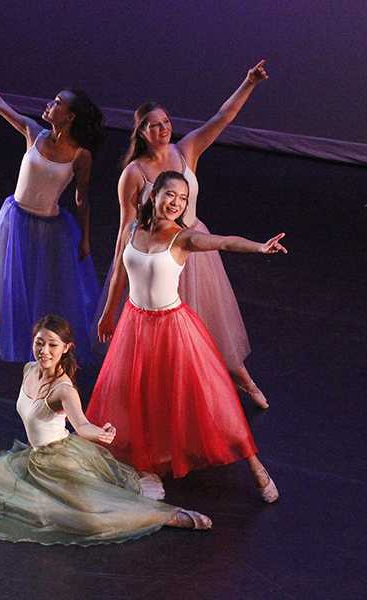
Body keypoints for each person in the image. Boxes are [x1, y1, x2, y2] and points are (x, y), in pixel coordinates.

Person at [90, 171, 284, 502]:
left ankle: (255, 466)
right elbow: (119, 276)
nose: (176, 203)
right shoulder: (132, 229)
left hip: (173, 327)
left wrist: (259, 247)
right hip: (135, 326)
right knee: (135, 396)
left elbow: (221, 241)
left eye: (182, 199)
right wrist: (109, 313)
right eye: (171, 195)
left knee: (209, 399)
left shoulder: (182, 239)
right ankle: (146, 464)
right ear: (154, 195)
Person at [101, 60, 271, 407]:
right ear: (141, 133)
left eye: (165, 123)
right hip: (156, 254)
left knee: (212, 325)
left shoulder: (186, 149)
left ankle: (244, 381)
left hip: (192, 245)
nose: (163, 130)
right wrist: (110, 306)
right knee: (168, 337)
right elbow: (125, 232)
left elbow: (222, 118)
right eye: (153, 126)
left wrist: (249, 82)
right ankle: (183, 398)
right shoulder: (133, 174)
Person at [0, 314, 212, 546]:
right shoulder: (29, 369)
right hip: (36, 458)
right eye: (39, 343)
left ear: (66, 348)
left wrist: (100, 433)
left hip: (60, 459)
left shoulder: (63, 389)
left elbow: (81, 424)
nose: (44, 351)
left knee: (89, 517)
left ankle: (167, 516)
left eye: (52, 345)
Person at [0, 56, 102, 364]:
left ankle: (53, 355)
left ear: (69, 117)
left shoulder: (81, 155)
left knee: (45, 292)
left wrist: (85, 238)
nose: (49, 105)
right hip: (14, 221)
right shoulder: (34, 133)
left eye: (57, 103)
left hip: (51, 229)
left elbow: (82, 198)